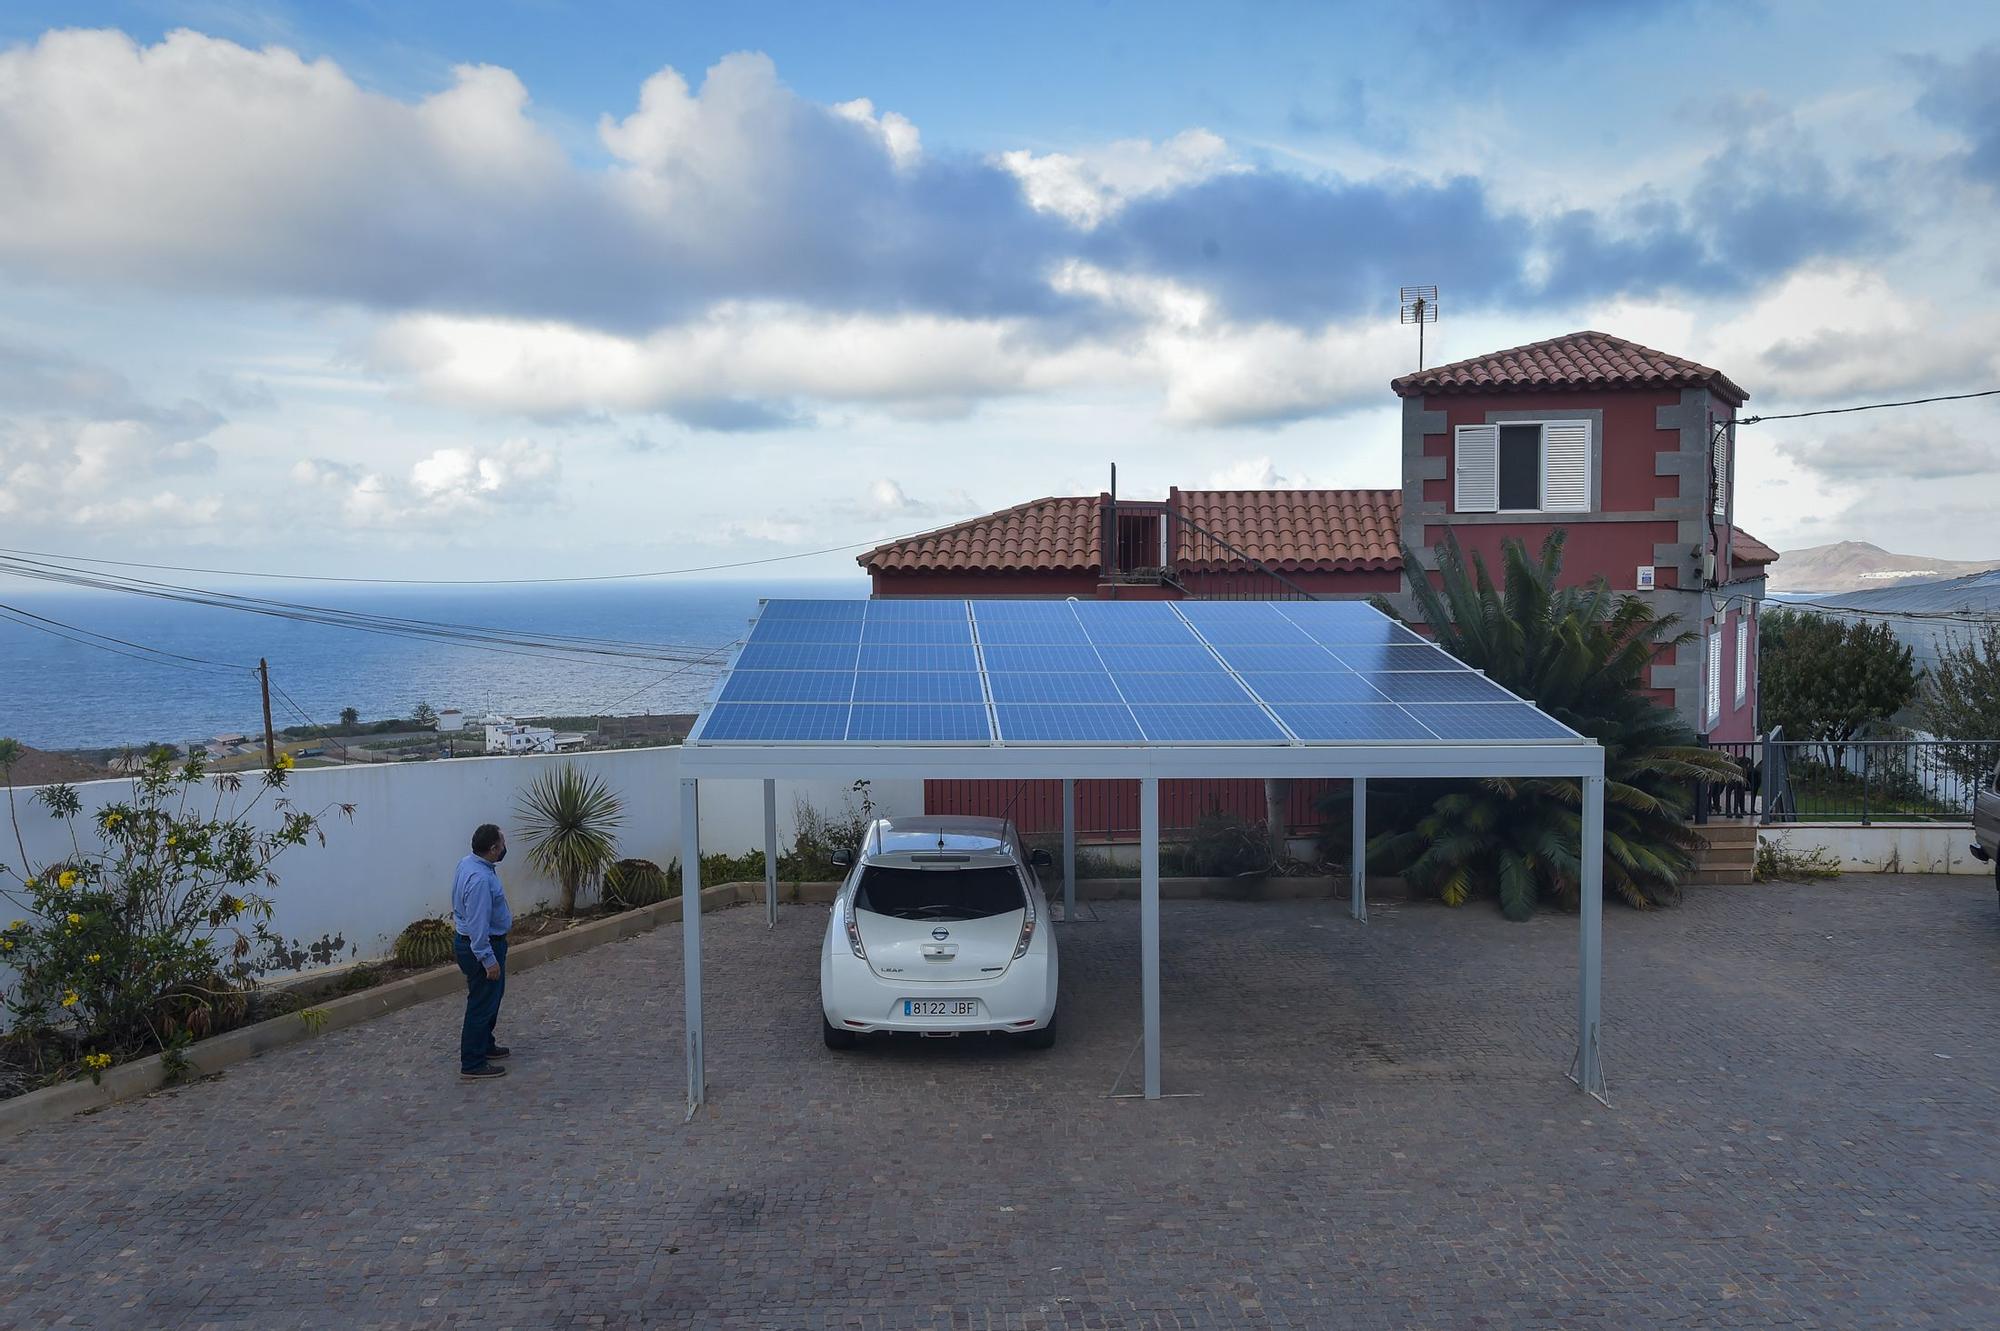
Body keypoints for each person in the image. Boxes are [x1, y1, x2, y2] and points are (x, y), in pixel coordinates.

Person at [453, 823, 514, 1080]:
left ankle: (485, 1045)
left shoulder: (468, 863)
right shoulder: (479, 879)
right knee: (481, 1002)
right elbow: (479, 924)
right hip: (483, 945)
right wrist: (488, 959)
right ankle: (473, 1062)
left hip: (476, 942)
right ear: (492, 849)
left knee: (492, 997)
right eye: (502, 844)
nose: (504, 848)